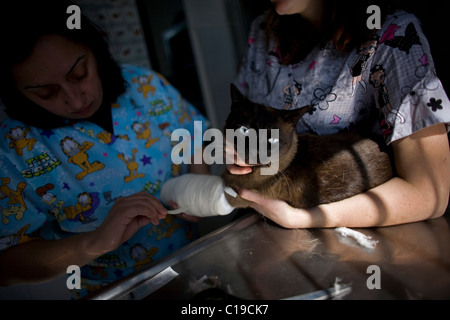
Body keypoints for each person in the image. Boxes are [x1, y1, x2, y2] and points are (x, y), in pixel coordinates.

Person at [0, 1, 208, 298]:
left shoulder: (145, 85)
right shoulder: (14, 149)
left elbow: (194, 134)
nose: (75, 100)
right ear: (17, 93)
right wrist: (94, 242)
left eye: (79, 73)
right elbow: (6, 265)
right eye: (47, 92)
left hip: (192, 269)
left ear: (95, 51)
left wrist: (197, 183)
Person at [229, 0, 450, 228]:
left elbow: (429, 194)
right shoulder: (264, 31)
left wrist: (302, 219)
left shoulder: (392, 33)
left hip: (359, 232)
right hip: (264, 219)